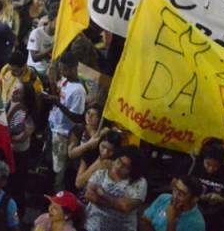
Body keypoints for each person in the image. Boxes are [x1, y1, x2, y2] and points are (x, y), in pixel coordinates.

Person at [45, 52, 86, 190]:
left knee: (59, 170)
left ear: (74, 68)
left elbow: (78, 117)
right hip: (53, 127)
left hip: (63, 133)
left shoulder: (79, 90)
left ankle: (58, 196)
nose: (63, 72)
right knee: (51, 165)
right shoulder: (64, 80)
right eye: (61, 69)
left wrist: (59, 104)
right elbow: (58, 95)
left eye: (65, 69)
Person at [83, 146, 148, 231]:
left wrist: (103, 194)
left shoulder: (139, 182)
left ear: (133, 170)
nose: (118, 167)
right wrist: (117, 204)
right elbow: (89, 195)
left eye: (125, 166)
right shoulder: (102, 172)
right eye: (119, 161)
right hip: (93, 226)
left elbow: (125, 207)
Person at [142, 176, 206, 231]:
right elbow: (145, 219)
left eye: (181, 194)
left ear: (194, 199)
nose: (175, 196)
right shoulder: (164, 198)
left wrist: (171, 221)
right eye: (175, 189)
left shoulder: (197, 224)